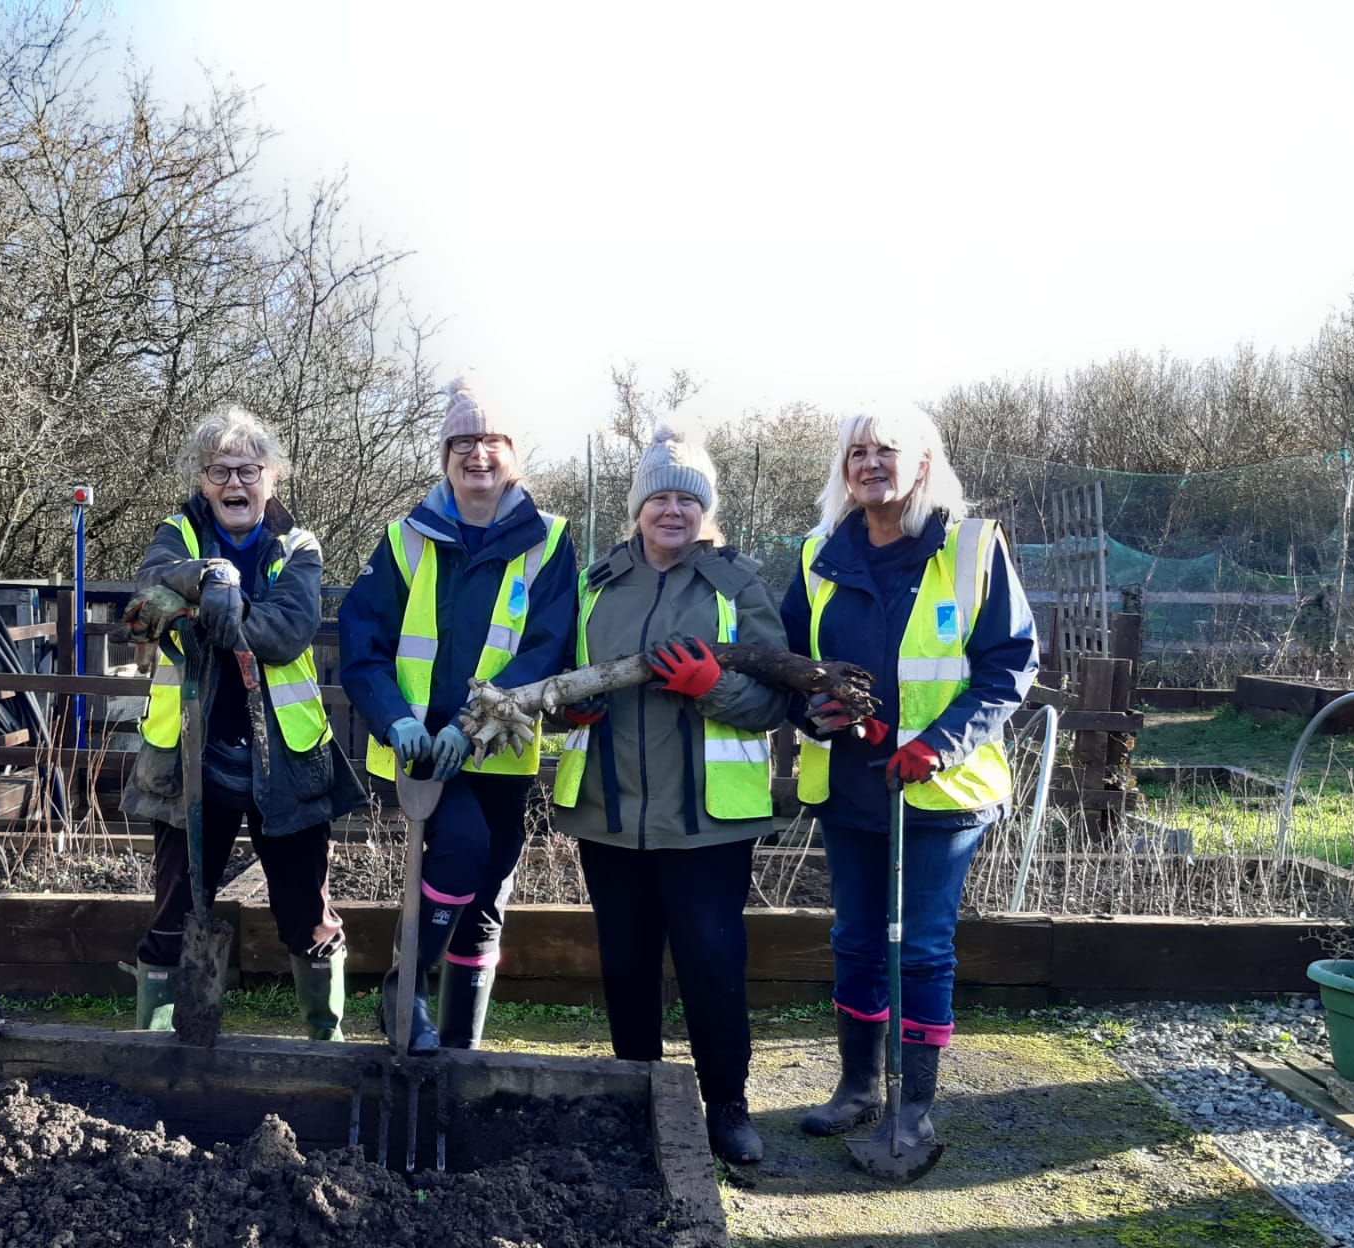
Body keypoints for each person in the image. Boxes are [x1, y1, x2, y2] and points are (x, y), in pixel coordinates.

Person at [784, 404, 1038, 1154]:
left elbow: (1009, 666)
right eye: (856, 452)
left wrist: (938, 744)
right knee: (856, 940)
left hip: (940, 793)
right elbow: (793, 665)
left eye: (885, 451)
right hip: (851, 784)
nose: (869, 464)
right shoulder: (817, 554)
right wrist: (814, 714)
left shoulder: (971, 549)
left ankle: (914, 1106)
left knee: (920, 946)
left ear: (923, 463)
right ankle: (859, 1087)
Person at [550, 426, 790, 1164]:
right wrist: (570, 708)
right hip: (610, 811)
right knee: (625, 962)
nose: (672, 510)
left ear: (705, 509)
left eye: (688, 497)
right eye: (659, 495)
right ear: (638, 507)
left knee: (711, 962)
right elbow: (561, 679)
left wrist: (716, 687)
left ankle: (727, 1106)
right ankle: (638, 1094)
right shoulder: (599, 584)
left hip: (707, 820)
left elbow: (778, 698)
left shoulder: (736, 584)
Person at [338, 376, 578, 1053]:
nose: (479, 455)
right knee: (465, 849)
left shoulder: (550, 541)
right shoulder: (404, 540)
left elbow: (547, 647)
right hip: (421, 751)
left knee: (487, 893)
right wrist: (398, 722)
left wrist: (471, 724)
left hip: (496, 745)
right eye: (463, 443)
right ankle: (404, 985)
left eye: (493, 441)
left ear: (513, 454)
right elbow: (364, 644)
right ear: (445, 457)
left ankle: (457, 1053)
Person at [124, 406, 365, 1038]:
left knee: (305, 910)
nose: (234, 484)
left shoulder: (297, 546)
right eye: (218, 471)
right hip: (188, 760)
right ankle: (159, 1044)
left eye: (248, 470)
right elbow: (144, 604)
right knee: (175, 908)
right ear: (201, 481)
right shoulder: (177, 531)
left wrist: (206, 606)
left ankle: (324, 1037)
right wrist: (212, 576)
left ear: (272, 477)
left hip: (284, 762)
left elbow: (287, 633)